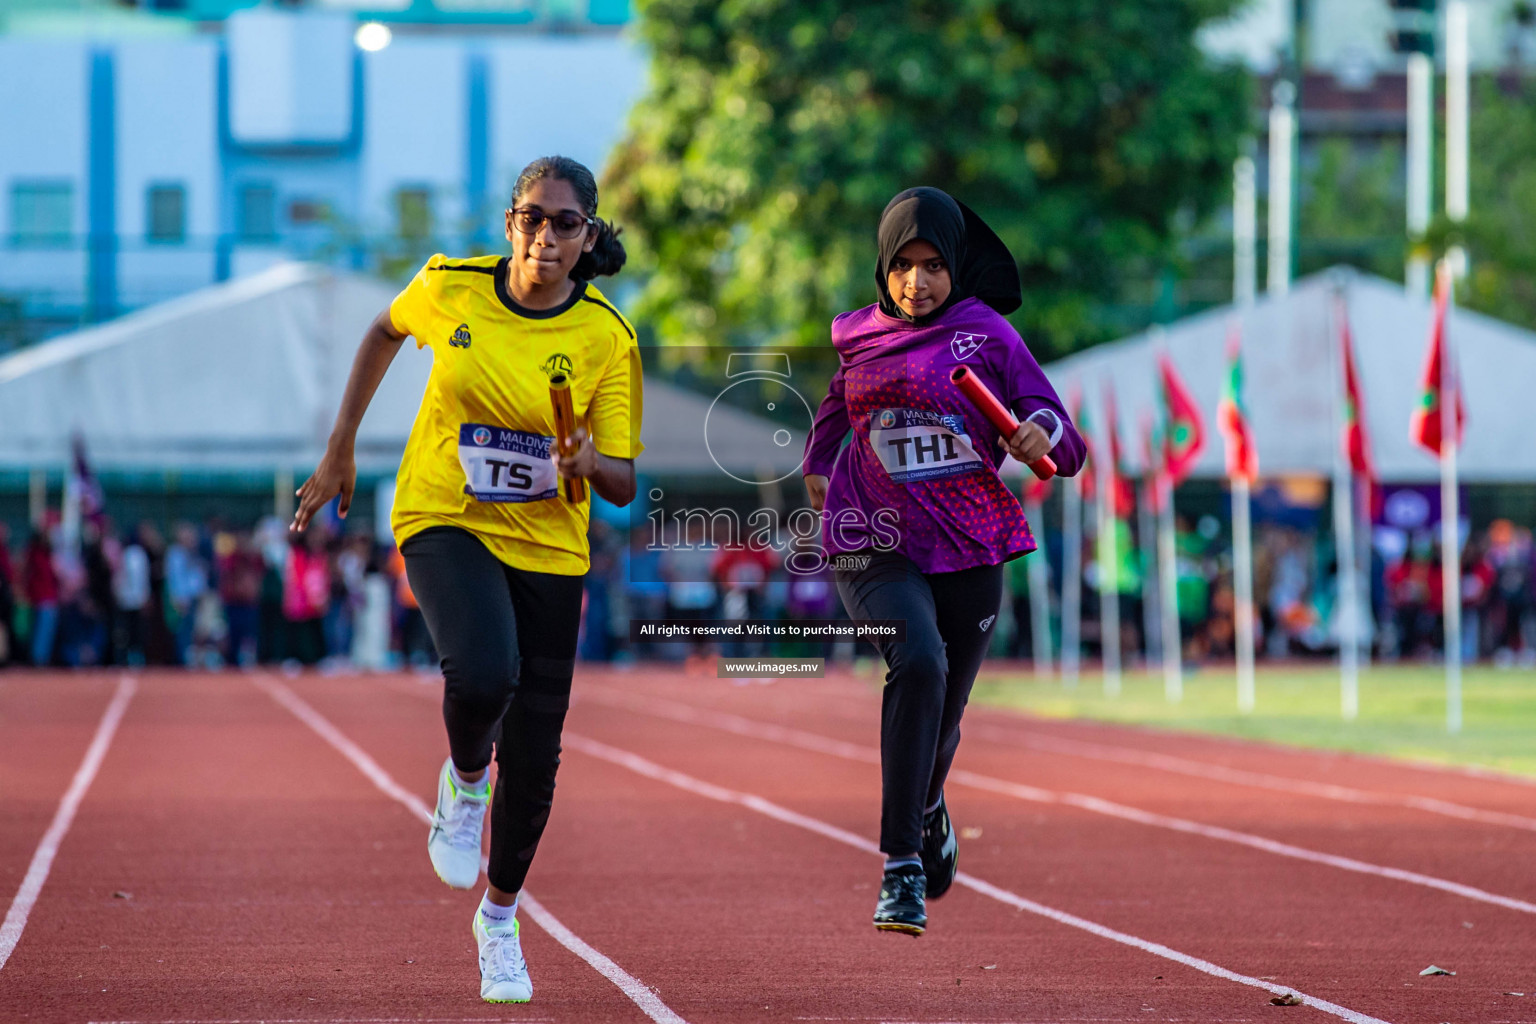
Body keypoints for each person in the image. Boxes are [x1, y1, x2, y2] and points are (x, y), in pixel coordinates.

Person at [291, 155, 641, 1004]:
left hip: (550, 548)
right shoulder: (450, 285)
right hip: (444, 513)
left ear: (587, 235)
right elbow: (381, 332)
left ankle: (498, 919)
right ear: (509, 221)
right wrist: (340, 448)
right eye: (532, 217)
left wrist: (586, 458)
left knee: (539, 761)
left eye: (566, 223)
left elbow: (626, 480)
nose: (546, 236)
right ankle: (464, 779)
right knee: (484, 674)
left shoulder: (606, 339)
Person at [803, 187, 1084, 936]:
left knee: (947, 715)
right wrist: (819, 462)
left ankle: (928, 805)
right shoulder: (855, 335)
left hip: (968, 540)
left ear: (955, 267)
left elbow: (1064, 437)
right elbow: (838, 404)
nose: (916, 283)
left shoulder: (985, 334)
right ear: (883, 268)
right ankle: (901, 869)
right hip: (873, 539)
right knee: (917, 663)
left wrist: (1037, 433)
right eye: (902, 266)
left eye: (932, 266)